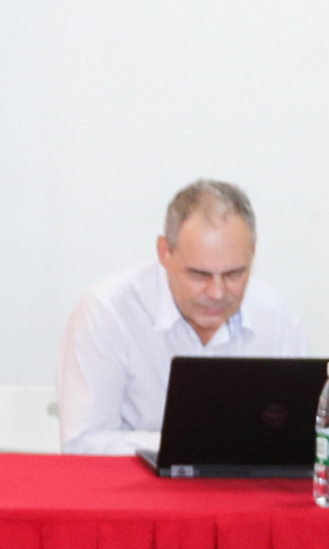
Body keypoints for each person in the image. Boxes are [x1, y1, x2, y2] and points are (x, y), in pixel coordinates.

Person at [57, 179, 306, 455]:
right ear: (164, 252)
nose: (217, 293)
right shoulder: (108, 312)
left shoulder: (275, 316)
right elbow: (83, 443)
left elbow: (295, 434)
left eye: (234, 274)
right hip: (134, 482)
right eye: (199, 275)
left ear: (253, 251)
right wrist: (191, 446)